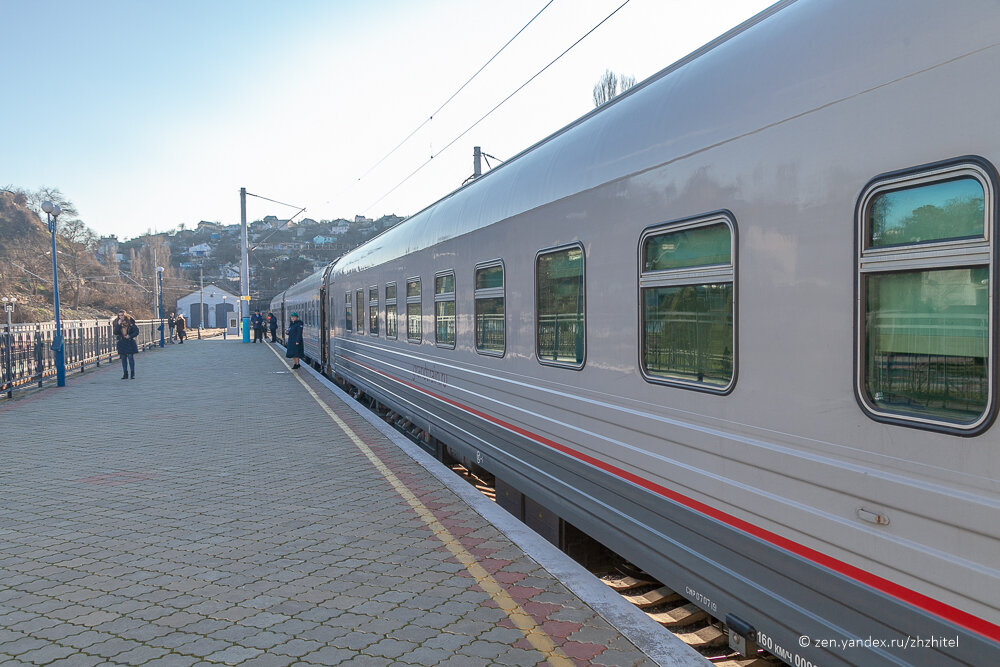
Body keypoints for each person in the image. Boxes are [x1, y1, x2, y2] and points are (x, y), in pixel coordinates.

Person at [113, 310, 139, 379]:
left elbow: (136, 331)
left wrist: (130, 336)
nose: (121, 317)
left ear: (125, 315)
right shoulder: (116, 322)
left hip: (129, 341)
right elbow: (115, 332)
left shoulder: (130, 321)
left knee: (130, 357)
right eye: (119, 315)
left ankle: (132, 373)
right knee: (123, 358)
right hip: (121, 342)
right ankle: (125, 373)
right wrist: (118, 325)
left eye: (122, 315)